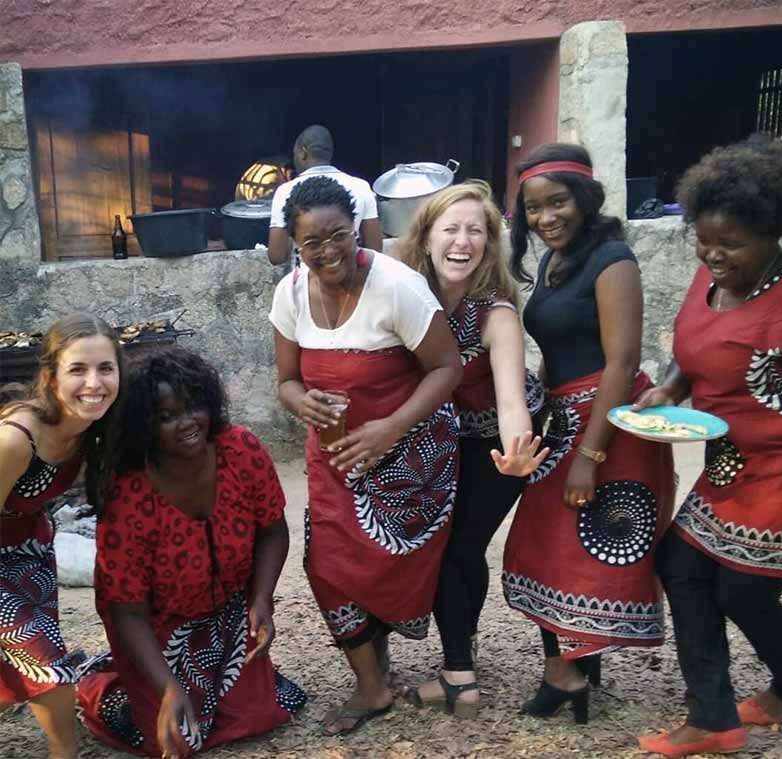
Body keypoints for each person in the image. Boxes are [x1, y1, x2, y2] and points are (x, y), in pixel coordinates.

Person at [269, 175, 462, 735]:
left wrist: (389, 428)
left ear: (358, 229)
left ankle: (382, 670)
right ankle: (371, 684)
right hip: (333, 457)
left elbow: (447, 367)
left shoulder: (397, 286)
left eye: (338, 236)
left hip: (411, 455)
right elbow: (284, 381)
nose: (328, 252)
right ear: (295, 246)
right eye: (312, 243)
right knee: (326, 567)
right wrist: (303, 402)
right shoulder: (289, 294)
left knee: (385, 563)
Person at [636, 136, 782, 757]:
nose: (713, 254)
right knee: (680, 566)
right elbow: (692, 354)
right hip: (727, 463)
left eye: (730, 243)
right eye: (705, 240)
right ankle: (715, 717)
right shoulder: (709, 275)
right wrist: (671, 388)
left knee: (742, 589)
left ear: (773, 232)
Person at [501, 143, 675, 723]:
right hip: (567, 417)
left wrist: (589, 456)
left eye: (558, 202)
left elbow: (623, 362)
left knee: (563, 543)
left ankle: (565, 674)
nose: (546, 217)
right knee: (549, 543)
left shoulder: (613, 258)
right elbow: (557, 349)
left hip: (609, 422)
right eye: (533, 208)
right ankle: (578, 663)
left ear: (585, 199)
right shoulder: (553, 261)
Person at [76, 349, 306, 759]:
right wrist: (167, 687)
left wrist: (261, 599)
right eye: (166, 417)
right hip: (156, 627)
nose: (187, 424)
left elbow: (273, 531)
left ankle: (228, 681)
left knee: (273, 710)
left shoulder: (240, 450)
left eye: (193, 406)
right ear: (145, 426)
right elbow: (126, 611)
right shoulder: (129, 497)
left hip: (228, 613)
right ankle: (96, 683)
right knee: (179, 739)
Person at [397, 180, 548, 717]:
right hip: (439, 438)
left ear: (490, 243)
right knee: (454, 548)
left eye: (476, 231)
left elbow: (511, 400)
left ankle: (459, 674)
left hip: (501, 444)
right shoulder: (406, 295)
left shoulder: (496, 312)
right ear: (427, 236)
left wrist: (517, 450)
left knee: (453, 546)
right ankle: (464, 654)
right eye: (451, 229)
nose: (463, 241)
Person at [0, 313, 123, 759]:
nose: (94, 382)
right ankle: (63, 753)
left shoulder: (92, 429)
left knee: (28, 649)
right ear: (51, 377)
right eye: (78, 370)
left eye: (105, 368)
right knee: (45, 657)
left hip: (31, 543)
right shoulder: (16, 438)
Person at [268, 124, 383, 265]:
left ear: (303, 152)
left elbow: (276, 256)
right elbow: (375, 251)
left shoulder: (285, 191)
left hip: (308, 282)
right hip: (352, 279)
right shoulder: (361, 186)